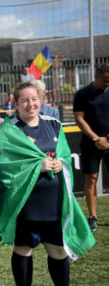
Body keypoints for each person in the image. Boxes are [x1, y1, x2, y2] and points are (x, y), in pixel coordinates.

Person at [0, 82, 95, 286]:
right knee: (24, 250)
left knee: (58, 251)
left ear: (41, 100)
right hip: (26, 204)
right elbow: (5, 167)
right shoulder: (9, 129)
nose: (30, 104)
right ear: (16, 103)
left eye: (34, 99)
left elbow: (66, 156)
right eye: (24, 100)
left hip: (54, 203)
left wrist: (61, 162)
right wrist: (36, 166)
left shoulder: (53, 124)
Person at [73, 63, 109, 231]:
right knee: (91, 179)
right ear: (96, 77)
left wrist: (107, 139)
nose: (107, 84)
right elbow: (79, 119)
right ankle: (92, 217)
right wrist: (96, 138)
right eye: (105, 80)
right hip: (90, 143)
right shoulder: (82, 94)